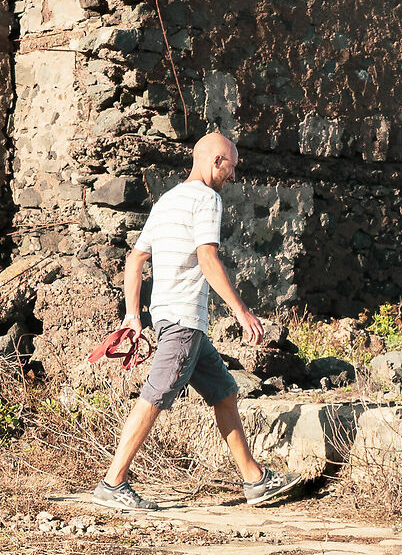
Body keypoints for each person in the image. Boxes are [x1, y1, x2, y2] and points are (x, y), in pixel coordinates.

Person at [91, 130, 306, 512]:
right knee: (155, 396)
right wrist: (241, 310)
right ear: (215, 161)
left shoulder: (168, 200)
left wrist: (133, 315)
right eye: (231, 167)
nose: (233, 176)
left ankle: (255, 480)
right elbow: (207, 258)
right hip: (184, 320)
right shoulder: (207, 199)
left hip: (172, 319)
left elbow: (135, 259)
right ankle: (113, 482)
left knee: (224, 392)